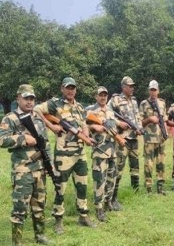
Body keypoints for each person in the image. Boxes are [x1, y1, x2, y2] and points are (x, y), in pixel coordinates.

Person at [34, 77, 96, 234]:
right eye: (68, 87)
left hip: (80, 153)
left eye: (73, 88)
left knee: (82, 185)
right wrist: (52, 126)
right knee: (60, 187)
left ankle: (83, 216)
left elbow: (84, 125)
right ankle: (58, 220)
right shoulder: (55, 103)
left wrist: (87, 137)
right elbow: (36, 110)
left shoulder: (80, 107)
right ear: (62, 88)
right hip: (64, 154)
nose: (70, 90)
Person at [0, 84, 50, 246]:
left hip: (40, 169)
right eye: (26, 98)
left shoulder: (37, 116)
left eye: (32, 99)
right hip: (22, 171)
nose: (29, 102)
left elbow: (45, 142)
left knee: (40, 205)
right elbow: (2, 140)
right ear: (18, 99)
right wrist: (23, 138)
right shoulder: (10, 118)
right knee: (20, 208)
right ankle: (17, 244)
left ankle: (40, 235)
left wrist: (48, 162)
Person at [86, 86, 121, 221]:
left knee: (111, 179)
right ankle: (99, 209)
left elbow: (113, 127)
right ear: (96, 96)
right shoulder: (90, 111)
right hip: (100, 152)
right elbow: (80, 125)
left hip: (112, 151)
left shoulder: (110, 111)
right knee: (99, 180)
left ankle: (108, 203)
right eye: (100, 95)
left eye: (105, 95)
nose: (103, 97)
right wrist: (92, 126)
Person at [107, 76, 141, 210]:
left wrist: (139, 128)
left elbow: (137, 116)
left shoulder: (133, 100)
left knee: (135, 167)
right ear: (123, 87)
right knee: (118, 169)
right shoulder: (115, 99)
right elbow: (108, 115)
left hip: (134, 139)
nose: (132, 88)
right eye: (130, 86)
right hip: (122, 139)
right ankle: (113, 198)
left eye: (133, 86)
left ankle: (136, 193)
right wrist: (119, 123)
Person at [139, 80, 168, 195]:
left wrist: (166, 132)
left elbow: (164, 119)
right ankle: (149, 188)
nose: (153, 92)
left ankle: (160, 188)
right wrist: (149, 119)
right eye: (151, 89)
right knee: (149, 164)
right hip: (149, 139)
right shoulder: (143, 104)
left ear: (158, 91)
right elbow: (139, 122)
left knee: (161, 163)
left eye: (155, 90)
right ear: (149, 90)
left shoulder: (162, 103)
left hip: (160, 138)